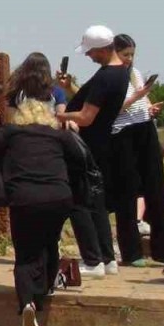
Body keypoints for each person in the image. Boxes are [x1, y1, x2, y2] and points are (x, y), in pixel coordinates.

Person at [0, 97, 85, 326]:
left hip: (25, 198)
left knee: (26, 252)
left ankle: (27, 303)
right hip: (58, 196)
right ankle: (42, 294)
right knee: (49, 243)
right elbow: (80, 156)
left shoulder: (12, 133)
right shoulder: (57, 135)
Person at [56, 25, 128, 278]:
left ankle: (92, 259)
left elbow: (86, 117)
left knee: (79, 202)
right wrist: (70, 89)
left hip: (86, 147)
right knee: (96, 204)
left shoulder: (107, 76)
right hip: (99, 145)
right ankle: (106, 258)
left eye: (91, 52)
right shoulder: (119, 73)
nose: (88, 57)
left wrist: (60, 115)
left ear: (103, 49)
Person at [109, 34, 164, 265]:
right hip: (122, 134)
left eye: (132, 55)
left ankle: (162, 248)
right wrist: (137, 96)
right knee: (127, 192)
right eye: (125, 54)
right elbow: (110, 109)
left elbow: (141, 102)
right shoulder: (108, 77)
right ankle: (131, 251)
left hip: (144, 128)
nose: (129, 59)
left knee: (155, 188)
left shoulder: (135, 74)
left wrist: (149, 105)